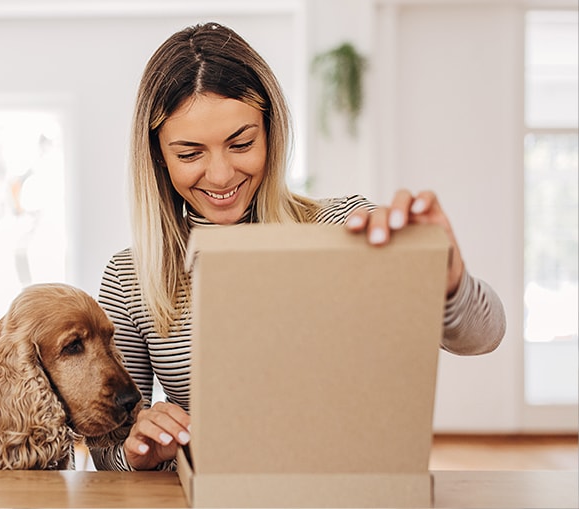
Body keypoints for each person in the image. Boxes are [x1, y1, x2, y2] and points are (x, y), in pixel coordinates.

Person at [90, 22, 506, 472]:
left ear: (271, 131)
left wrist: (446, 282)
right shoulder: (131, 276)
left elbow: (484, 336)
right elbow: (107, 452)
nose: (221, 175)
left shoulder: (343, 227)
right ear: (158, 157)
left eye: (242, 143)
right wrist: (140, 453)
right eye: (190, 154)